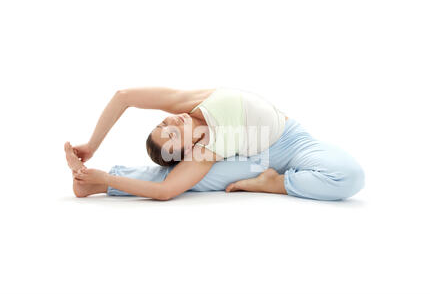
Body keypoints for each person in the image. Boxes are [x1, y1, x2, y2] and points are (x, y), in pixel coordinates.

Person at [65, 87, 364, 201]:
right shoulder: (204, 155)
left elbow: (123, 97)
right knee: (183, 182)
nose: (170, 123)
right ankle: (96, 185)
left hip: (289, 140)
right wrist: (105, 178)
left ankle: (274, 184)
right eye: (170, 136)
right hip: (250, 162)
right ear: (187, 150)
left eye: (162, 124)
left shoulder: (191, 103)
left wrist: (92, 145)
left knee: (351, 176)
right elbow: (164, 190)